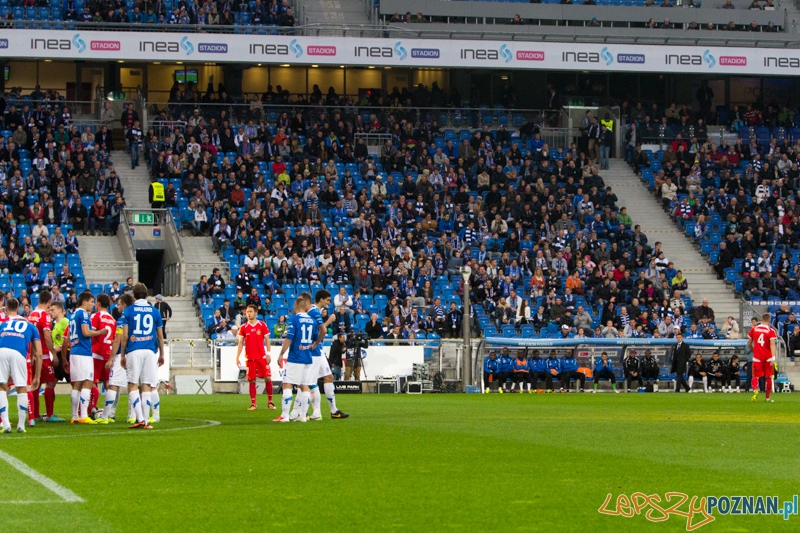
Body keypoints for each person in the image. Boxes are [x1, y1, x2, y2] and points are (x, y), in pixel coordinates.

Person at [294, 290, 349, 420]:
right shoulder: (313, 311)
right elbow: (318, 330)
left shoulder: (315, 311)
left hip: (319, 351)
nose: (329, 303)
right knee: (309, 382)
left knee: (328, 377)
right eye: (327, 300)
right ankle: (305, 412)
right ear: (321, 299)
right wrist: (329, 320)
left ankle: (333, 410)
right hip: (314, 352)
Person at [118, 283, 164, 429]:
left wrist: (123, 354)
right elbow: (160, 336)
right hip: (150, 351)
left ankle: (139, 418)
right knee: (147, 385)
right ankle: (146, 420)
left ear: (134, 295)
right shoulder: (155, 311)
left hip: (134, 350)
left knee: (133, 385)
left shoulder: (128, 311)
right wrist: (162, 353)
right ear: (147, 295)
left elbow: (125, 336)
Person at [0, 298, 42, 433]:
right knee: (21, 388)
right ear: (20, 310)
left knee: (2, 387)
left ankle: (5, 425)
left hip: (1, 351)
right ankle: (21, 426)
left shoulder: (4, 324)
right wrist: (37, 376)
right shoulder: (30, 326)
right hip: (19, 353)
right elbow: (39, 353)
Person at [273, 296, 317, 423]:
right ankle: (303, 417)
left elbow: (289, 338)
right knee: (305, 386)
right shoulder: (313, 321)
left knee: (287, 384)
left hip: (295, 357)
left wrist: (281, 353)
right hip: (308, 358)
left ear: (297, 307)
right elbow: (315, 338)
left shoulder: (294, 320)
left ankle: (285, 416)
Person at [69, 291, 110, 424]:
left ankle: (74, 416)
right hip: (83, 352)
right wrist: (101, 332)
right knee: (88, 381)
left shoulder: (73, 314)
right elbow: (86, 332)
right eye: (91, 302)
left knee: (77, 384)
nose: (93, 305)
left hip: (74, 351)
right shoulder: (83, 314)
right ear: (84, 302)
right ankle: (84, 415)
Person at [26, 290, 64, 423]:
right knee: (50, 382)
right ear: (49, 302)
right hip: (43, 354)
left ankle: (35, 415)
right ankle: (49, 414)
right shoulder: (45, 316)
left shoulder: (31, 314)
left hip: (32, 354)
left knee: (35, 383)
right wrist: (54, 353)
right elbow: (47, 336)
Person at [103, 294, 134, 422]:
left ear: (124, 305)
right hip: (135, 353)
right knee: (133, 385)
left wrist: (111, 359)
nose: (118, 307)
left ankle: (106, 415)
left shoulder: (122, 319)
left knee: (113, 384)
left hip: (123, 354)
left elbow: (117, 340)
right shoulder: (136, 317)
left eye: (119, 304)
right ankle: (132, 416)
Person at [235, 304, 273, 411]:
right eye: (247, 312)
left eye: (250, 311)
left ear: (256, 313)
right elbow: (240, 343)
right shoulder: (243, 327)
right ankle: (253, 404)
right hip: (250, 358)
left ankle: (270, 401)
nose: (248, 313)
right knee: (251, 380)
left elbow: (267, 340)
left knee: (267, 377)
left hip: (261, 357)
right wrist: (237, 357)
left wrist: (268, 353)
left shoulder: (262, 325)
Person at [89, 294, 117, 422]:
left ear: (98, 303)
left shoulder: (95, 316)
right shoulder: (112, 319)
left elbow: (91, 333)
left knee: (94, 381)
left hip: (96, 352)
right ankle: (109, 411)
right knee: (108, 383)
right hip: (108, 353)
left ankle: (92, 409)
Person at [748, 312, 777, 403]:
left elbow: (749, 343)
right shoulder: (771, 331)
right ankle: (767, 398)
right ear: (769, 320)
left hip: (757, 357)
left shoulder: (754, 329)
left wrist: (754, 350)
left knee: (755, 376)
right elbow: (772, 345)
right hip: (768, 357)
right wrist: (773, 357)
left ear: (761, 319)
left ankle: (755, 390)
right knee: (768, 377)